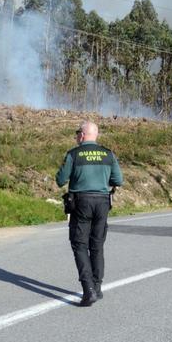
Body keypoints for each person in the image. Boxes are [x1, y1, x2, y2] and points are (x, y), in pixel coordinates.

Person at [56, 121, 123, 307]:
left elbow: (60, 179)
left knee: (79, 244)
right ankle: (97, 287)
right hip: (102, 202)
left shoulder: (74, 154)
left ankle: (88, 290)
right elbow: (119, 179)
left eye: (78, 133)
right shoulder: (108, 154)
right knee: (97, 244)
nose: (77, 136)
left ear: (83, 135)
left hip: (81, 202)